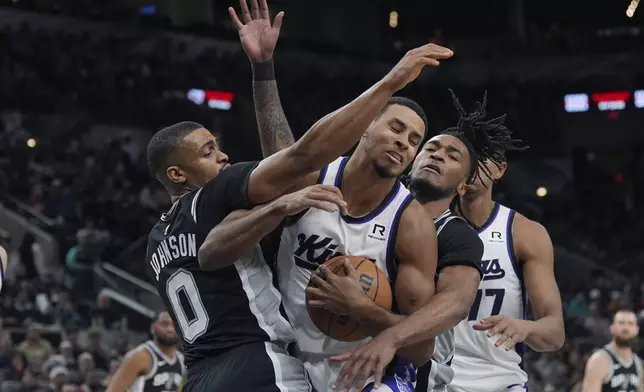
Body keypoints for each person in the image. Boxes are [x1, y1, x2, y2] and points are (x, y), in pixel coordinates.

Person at [146, 0, 452, 389]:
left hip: (362, 363)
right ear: (367, 123)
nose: (403, 143)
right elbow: (291, 155)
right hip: (288, 364)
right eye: (395, 128)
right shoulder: (295, 186)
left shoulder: (411, 225)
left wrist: (362, 310)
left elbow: (421, 346)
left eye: (414, 140)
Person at [442, 92, 565, 392]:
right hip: (438, 379)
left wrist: (525, 327)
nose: (470, 163)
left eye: (480, 155)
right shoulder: (425, 223)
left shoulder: (525, 233)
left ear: (499, 169)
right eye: (463, 154)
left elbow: (554, 333)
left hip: (500, 381)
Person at [106, 312, 185, 392]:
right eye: (164, 324)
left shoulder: (180, 359)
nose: (170, 329)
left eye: (174, 325)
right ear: (153, 328)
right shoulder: (140, 356)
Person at [581, 309, 643, 392]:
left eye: (630, 323)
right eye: (621, 323)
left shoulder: (638, 364)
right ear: (612, 328)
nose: (626, 328)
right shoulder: (599, 360)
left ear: (636, 330)